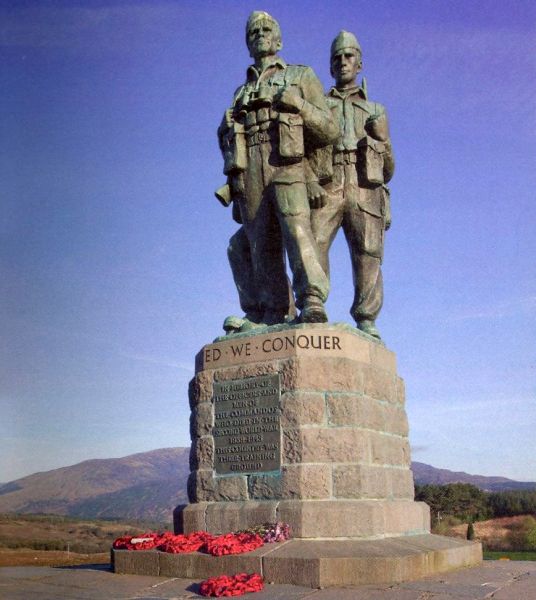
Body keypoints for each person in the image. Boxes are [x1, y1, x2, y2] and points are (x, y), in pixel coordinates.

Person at [218, 11, 338, 331]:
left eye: (266, 29)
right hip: (251, 169)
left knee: (296, 230)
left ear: (279, 39)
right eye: (253, 32)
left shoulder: (301, 76)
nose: (259, 34)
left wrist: (299, 105)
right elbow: (225, 139)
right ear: (247, 43)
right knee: (259, 243)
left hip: (288, 163)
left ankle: (311, 299)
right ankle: (270, 311)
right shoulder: (240, 93)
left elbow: (329, 129)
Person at [311, 31, 395, 339]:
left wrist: (382, 140)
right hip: (329, 180)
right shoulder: (320, 105)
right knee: (315, 241)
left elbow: (389, 169)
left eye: (349, 56)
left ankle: (367, 320)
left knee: (367, 253)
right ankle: (313, 303)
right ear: (330, 67)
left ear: (359, 63)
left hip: (364, 184)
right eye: (337, 58)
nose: (343, 62)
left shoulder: (376, 110)